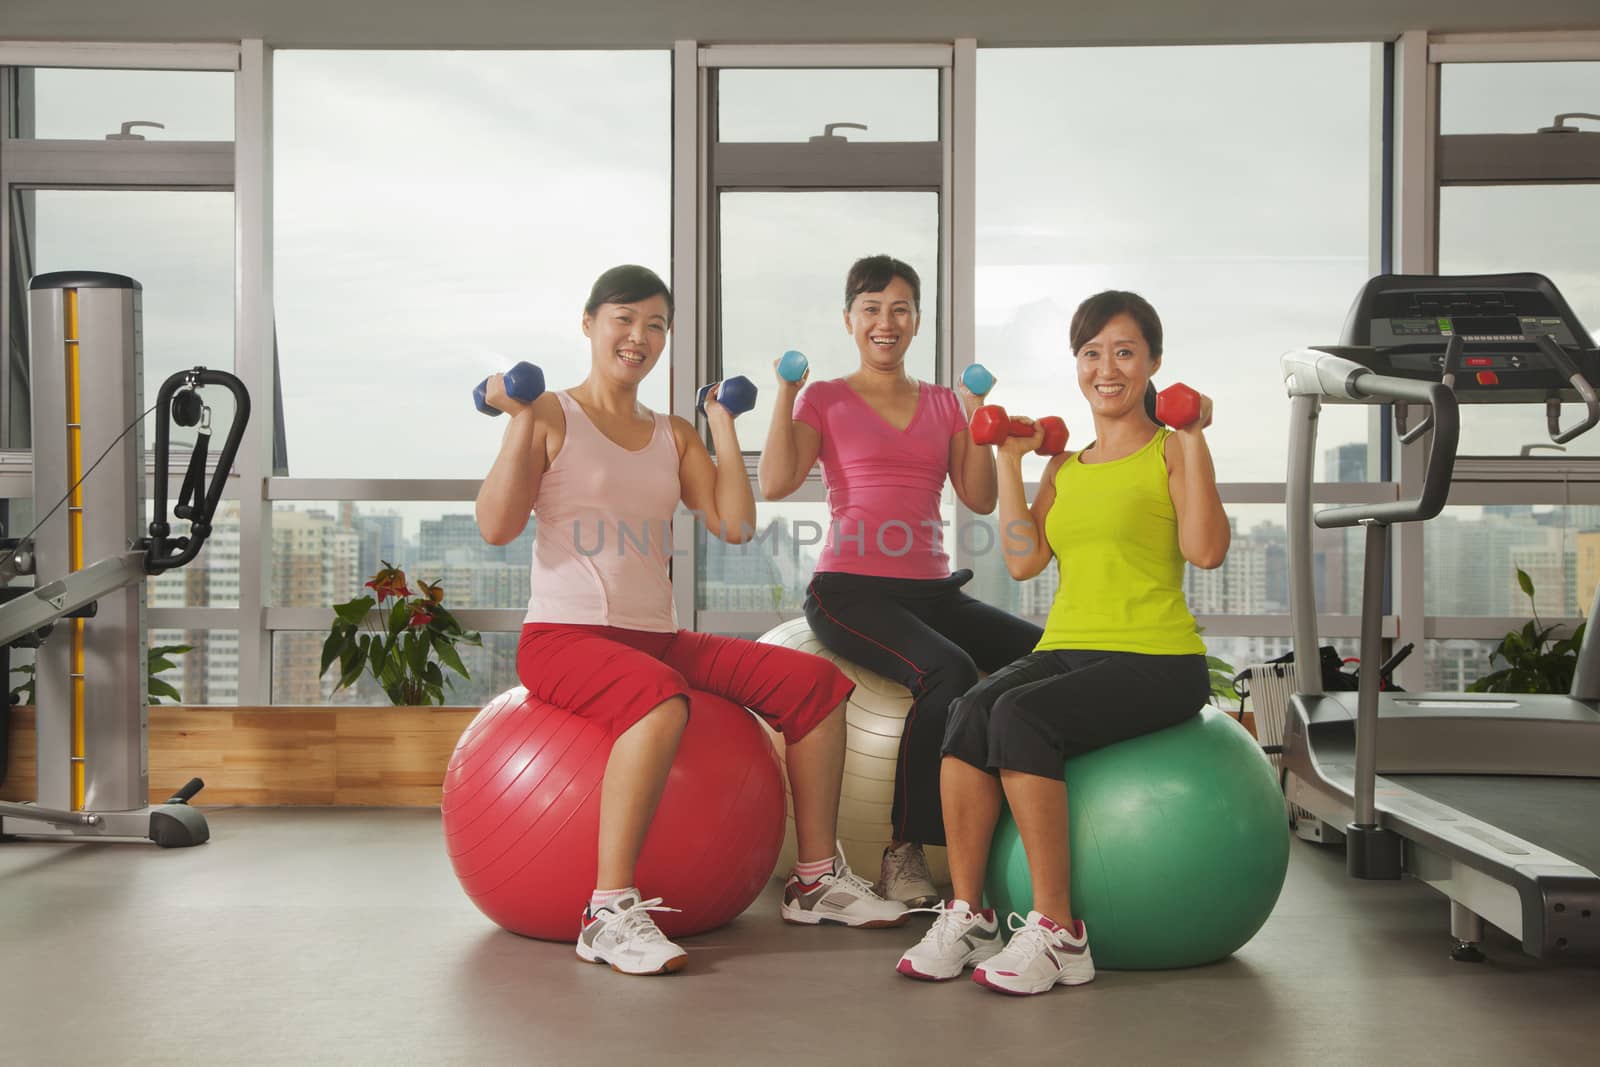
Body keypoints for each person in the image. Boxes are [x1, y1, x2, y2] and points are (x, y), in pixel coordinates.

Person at [475, 264, 906, 978]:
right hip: (563, 637)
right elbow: (496, 526)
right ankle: (607, 910)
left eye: (655, 325)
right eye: (623, 319)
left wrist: (721, 425)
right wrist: (519, 414)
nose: (638, 336)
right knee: (657, 701)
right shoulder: (552, 412)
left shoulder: (671, 433)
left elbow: (735, 522)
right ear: (589, 324)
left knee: (814, 686)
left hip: (658, 635)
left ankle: (814, 880)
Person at [895, 289, 1230, 995]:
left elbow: (1205, 550)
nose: (1106, 367)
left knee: (1021, 718)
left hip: (1158, 657)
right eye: (1091, 352)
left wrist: (1197, 439)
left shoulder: (1172, 450)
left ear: (1154, 362)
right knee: (967, 711)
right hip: (1071, 645)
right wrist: (1013, 463)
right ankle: (971, 910)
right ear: (1077, 364)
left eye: (1124, 351)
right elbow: (1023, 559)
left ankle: (1059, 930)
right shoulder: (1066, 466)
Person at [758, 254, 1045, 907]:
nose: (885, 322)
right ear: (850, 319)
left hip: (931, 590)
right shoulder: (824, 397)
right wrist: (782, 392)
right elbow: (775, 480)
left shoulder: (945, 403)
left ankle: (1024, 816)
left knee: (1045, 653)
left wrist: (976, 413)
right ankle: (904, 851)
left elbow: (974, 493)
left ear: (917, 320)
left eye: (899, 309)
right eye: (871, 309)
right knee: (947, 670)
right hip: (848, 588)